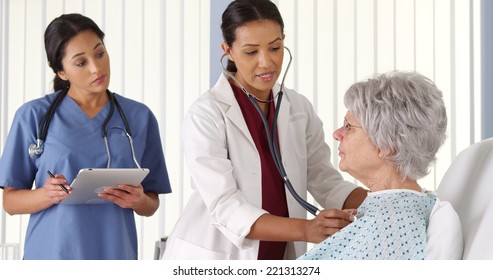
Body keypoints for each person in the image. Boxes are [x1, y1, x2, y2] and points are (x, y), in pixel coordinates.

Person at [163, 0, 367, 260]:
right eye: (251, 52)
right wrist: (306, 229)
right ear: (228, 50)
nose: (266, 63)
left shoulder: (299, 108)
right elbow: (225, 206)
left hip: (278, 255)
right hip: (217, 256)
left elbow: (324, 181)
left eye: (275, 48)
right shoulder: (206, 114)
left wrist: (388, 200)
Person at [0, 13, 172, 260]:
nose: (96, 68)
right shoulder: (33, 116)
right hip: (51, 256)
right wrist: (46, 194)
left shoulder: (139, 117)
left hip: (115, 254)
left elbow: (151, 203)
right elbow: (11, 202)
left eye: (100, 53)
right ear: (61, 72)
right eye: (81, 63)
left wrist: (138, 200)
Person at [298, 71, 463, 260]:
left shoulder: (395, 225)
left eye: (348, 126)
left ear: (385, 145)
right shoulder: (396, 214)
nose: (337, 134)